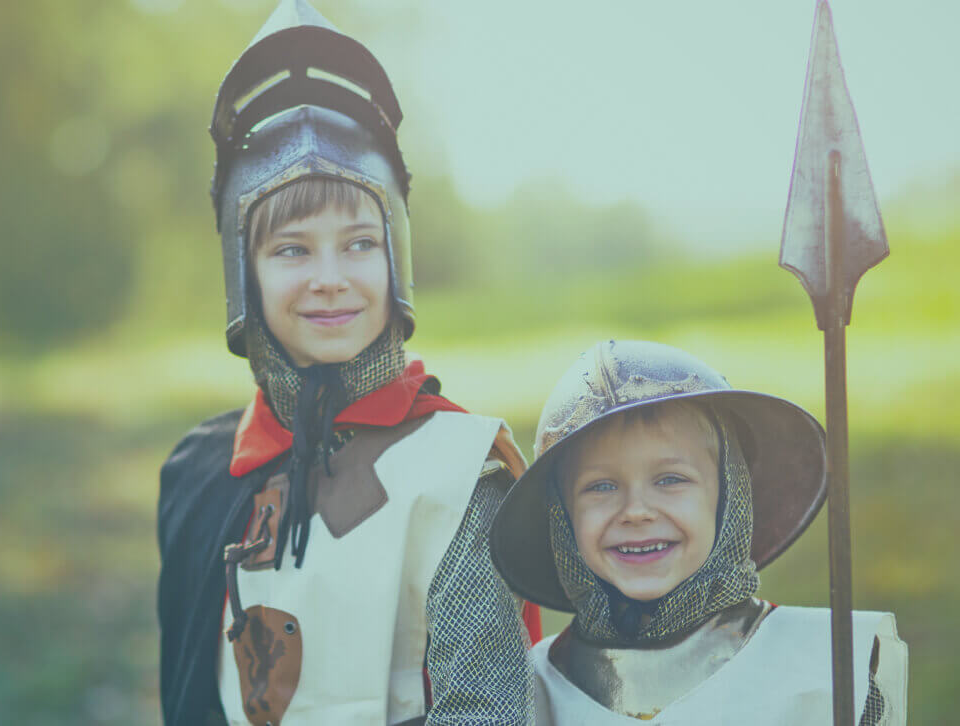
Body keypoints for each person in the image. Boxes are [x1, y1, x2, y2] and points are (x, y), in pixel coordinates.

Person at [156, 2, 539, 724]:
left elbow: (483, 710)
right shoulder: (202, 472)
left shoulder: (458, 475)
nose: (330, 276)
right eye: (293, 249)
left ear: (396, 258)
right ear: (246, 274)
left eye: (360, 243)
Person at [488, 339, 909, 725]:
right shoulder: (523, 691)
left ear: (729, 495)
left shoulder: (831, 663)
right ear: (563, 517)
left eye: (670, 479)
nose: (635, 511)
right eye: (601, 486)